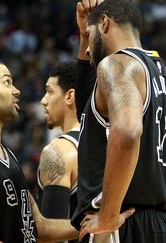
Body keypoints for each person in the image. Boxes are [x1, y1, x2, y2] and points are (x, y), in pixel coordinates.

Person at [0, 59, 112, 243]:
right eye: (7, 82)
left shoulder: (8, 155)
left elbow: (39, 227)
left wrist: (101, 222)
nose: (16, 91)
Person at [72, 0, 166, 242]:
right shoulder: (158, 72)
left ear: (104, 23)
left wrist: (107, 215)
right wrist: (85, 35)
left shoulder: (116, 63)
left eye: (90, 35)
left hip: (123, 222)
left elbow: (127, 131)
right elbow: (87, 112)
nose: (89, 51)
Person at [37, 62, 79, 243]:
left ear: (70, 96)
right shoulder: (110, 143)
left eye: (50, 91)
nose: (43, 100)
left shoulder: (60, 150)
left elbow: (50, 237)